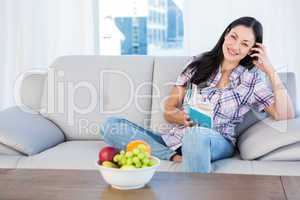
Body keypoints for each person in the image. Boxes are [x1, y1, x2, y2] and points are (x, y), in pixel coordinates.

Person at [101, 16, 295, 173]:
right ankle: (175, 157)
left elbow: (285, 115)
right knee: (111, 126)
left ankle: (194, 185)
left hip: (216, 141)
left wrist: (270, 71)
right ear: (226, 34)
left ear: (252, 50)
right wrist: (180, 117)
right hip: (175, 139)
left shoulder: (252, 80)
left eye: (244, 44)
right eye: (234, 37)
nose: (235, 47)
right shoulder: (199, 63)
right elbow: (169, 109)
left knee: (197, 134)